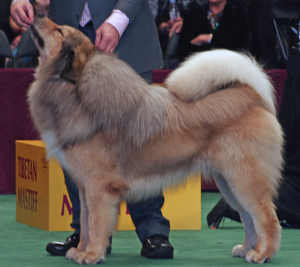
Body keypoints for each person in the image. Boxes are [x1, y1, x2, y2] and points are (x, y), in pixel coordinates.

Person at [11, 0, 174, 259]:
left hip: (124, 34)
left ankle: (152, 228)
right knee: (73, 145)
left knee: (136, 143)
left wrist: (117, 20)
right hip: (67, 33)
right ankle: (87, 234)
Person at [177, 0, 250, 62]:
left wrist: (207, 38)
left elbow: (238, 46)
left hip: (230, 67)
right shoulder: (193, 14)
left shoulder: (239, 13)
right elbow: (183, 51)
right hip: (200, 68)